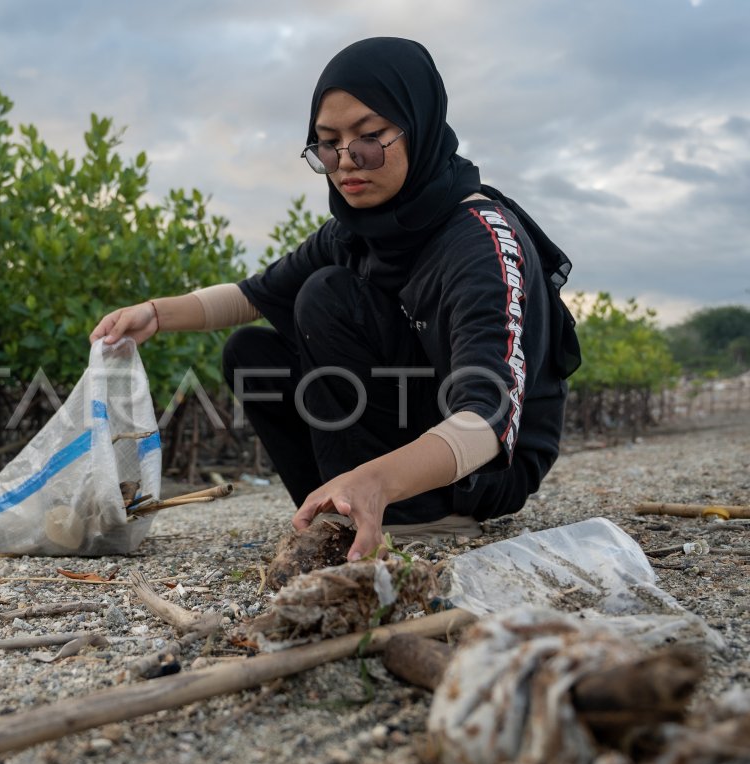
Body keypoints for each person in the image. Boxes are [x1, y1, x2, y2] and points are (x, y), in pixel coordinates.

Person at [90, 37, 579, 562]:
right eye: (327, 144)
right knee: (252, 355)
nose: (347, 162)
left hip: (485, 466)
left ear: (419, 128)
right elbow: (255, 294)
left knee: (326, 296)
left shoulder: (479, 238)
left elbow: (491, 416)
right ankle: (343, 504)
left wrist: (381, 478)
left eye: (368, 139)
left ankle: (416, 511)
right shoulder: (355, 230)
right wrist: (155, 314)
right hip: (417, 414)